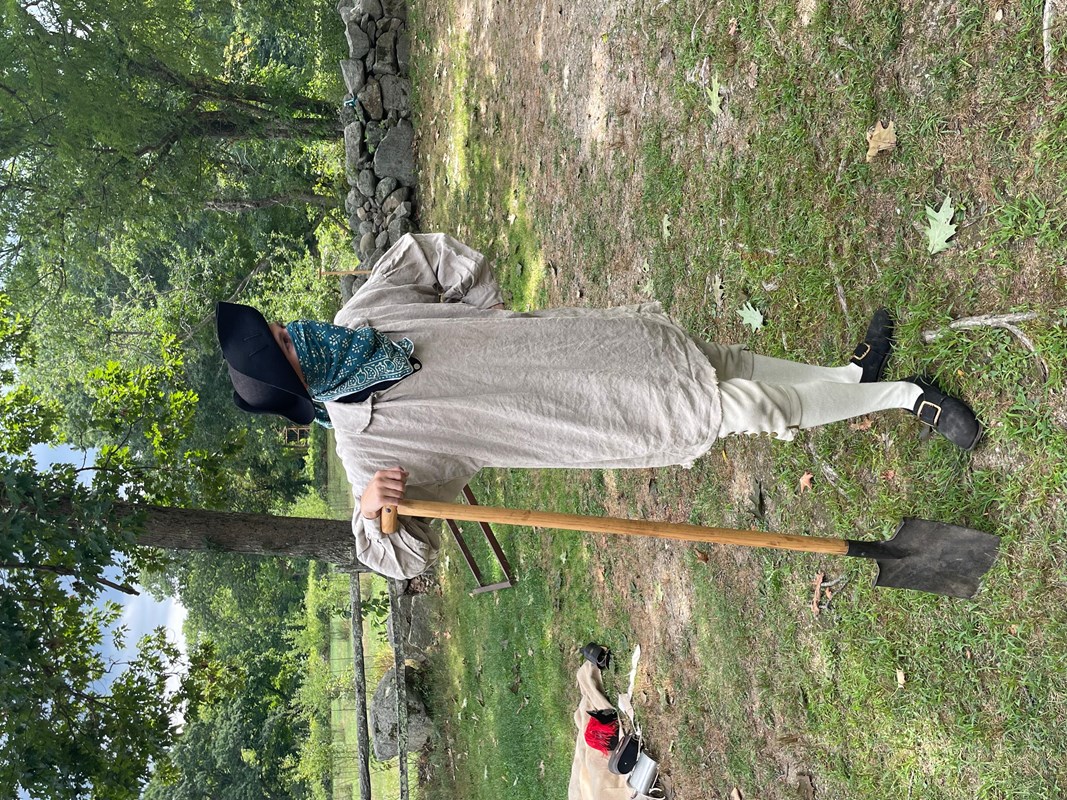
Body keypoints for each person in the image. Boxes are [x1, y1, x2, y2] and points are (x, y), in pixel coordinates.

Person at [216, 233, 981, 578]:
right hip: (584, 416)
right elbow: (401, 559)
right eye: (284, 342)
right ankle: (902, 396)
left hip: (588, 348)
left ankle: (845, 379)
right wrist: (372, 514)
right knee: (744, 408)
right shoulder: (368, 450)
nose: (296, 330)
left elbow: (431, 257)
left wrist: (486, 313)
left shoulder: (365, 318)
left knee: (723, 364)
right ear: (297, 382)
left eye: (280, 325)